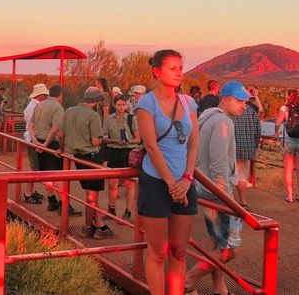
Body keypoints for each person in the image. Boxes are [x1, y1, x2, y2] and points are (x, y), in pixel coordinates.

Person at [136, 49, 198, 295]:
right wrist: (173, 184)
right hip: (156, 182)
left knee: (179, 250)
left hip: (184, 182)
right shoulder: (146, 103)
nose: (179, 73)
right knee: (158, 252)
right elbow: (151, 146)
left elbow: (194, 143)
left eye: (181, 68)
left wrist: (187, 178)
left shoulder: (188, 102)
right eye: (173, 68)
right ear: (157, 72)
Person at [185, 81, 251, 295]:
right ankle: (187, 282)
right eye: (239, 101)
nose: (244, 105)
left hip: (203, 187)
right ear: (225, 99)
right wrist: (227, 198)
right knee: (229, 250)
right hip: (217, 192)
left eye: (245, 101)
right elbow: (219, 163)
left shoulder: (206, 116)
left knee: (215, 243)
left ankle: (219, 288)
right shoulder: (223, 122)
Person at [63, 86, 114, 237]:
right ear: (98, 101)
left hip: (77, 157)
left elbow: (61, 133)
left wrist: (61, 149)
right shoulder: (93, 116)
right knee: (92, 196)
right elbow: (95, 140)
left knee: (90, 194)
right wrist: (107, 139)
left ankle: (100, 226)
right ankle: (87, 228)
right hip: (91, 156)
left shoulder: (69, 111)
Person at [30, 84, 70, 212]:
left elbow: (30, 125)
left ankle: (52, 201)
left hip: (38, 141)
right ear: (60, 95)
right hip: (51, 144)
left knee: (46, 173)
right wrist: (46, 144)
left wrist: (36, 142)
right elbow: (55, 129)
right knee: (57, 175)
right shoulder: (58, 108)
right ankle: (64, 206)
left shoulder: (39, 105)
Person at [102, 94, 140, 220]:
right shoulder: (109, 119)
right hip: (114, 151)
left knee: (130, 184)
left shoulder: (132, 119)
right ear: (114, 105)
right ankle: (111, 209)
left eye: (123, 104)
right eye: (119, 104)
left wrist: (127, 142)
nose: (121, 107)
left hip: (128, 152)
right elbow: (104, 137)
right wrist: (114, 141)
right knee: (112, 183)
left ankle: (128, 211)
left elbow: (138, 139)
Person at [231, 88, 262, 208]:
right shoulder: (251, 111)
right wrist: (254, 147)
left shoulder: (230, 112)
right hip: (246, 149)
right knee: (241, 176)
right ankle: (242, 202)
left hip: (233, 148)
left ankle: (236, 202)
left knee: (231, 175)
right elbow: (257, 132)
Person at [22, 83, 49, 204]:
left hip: (33, 139)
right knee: (34, 168)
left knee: (35, 167)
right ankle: (28, 194)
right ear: (41, 95)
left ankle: (30, 192)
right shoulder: (34, 107)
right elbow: (33, 126)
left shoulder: (33, 106)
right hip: (34, 140)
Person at [276, 89, 299, 202]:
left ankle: (290, 196)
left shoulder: (285, 108)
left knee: (288, 169)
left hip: (288, 141)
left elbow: (277, 123)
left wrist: (276, 132)